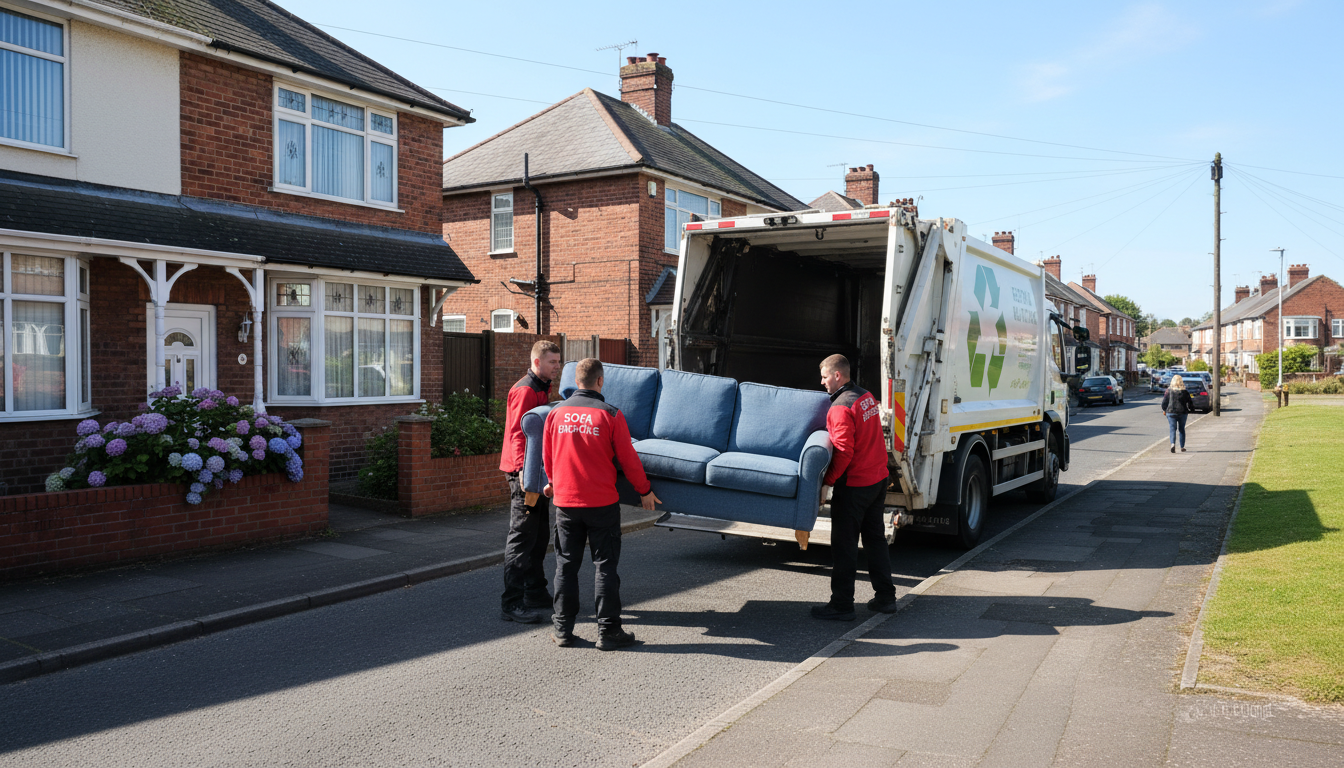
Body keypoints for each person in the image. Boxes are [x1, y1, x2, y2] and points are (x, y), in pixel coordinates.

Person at [542, 358, 659, 650]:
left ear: (576, 382)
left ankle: (563, 631)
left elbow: (548, 457)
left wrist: (554, 483)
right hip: (601, 503)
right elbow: (628, 460)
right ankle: (608, 632)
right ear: (600, 381)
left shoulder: (555, 414)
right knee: (605, 566)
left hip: (566, 503)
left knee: (566, 566)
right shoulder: (610, 414)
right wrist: (644, 490)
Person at [813, 354, 896, 621]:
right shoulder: (866, 397)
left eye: (825, 376)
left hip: (855, 485)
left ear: (838, 375)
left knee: (844, 545)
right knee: (875, 541)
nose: (822, 381)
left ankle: (842, 605)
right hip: (877, 480)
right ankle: (885, 597)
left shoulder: (840, 407)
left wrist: (827, 481)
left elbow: (844, 452)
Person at [498, 340, 562, 624]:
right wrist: (525, 473)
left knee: (538, 537)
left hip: (537, 474)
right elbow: (517, 433)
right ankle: (511, 603)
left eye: (558, 362)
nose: (557, 367)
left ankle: (534, 592)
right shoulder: (525, 390)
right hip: (524, 475)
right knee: (522, 538)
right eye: (552, 362)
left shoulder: (541, 388)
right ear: (537, 362)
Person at [1162, 374, 1194, 453]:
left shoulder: (1168, 391)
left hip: (1171, 412)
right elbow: (1190, 402)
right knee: (1181, 429)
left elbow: (1164, 402)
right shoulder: (1185, 392)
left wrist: (1164, 409)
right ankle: (1182, 446)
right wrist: (1191, 409)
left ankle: (1172, 444)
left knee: (1172, 429)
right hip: (1182, 412)